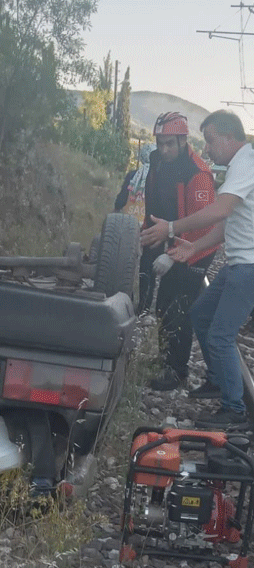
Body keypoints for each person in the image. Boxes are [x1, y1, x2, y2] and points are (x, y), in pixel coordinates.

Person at [143, 110, 254, 428]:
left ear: (231, 137)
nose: (206, 149)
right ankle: (218, 380)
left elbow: (218, 209)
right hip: (237, 262)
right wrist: (195, 246)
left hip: (248, 267)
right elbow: (228, 221)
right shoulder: (237, 168)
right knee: (201, 315)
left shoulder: (246, 164)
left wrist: (172, 228)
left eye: (210, 141)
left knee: (220, 335)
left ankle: (235, 411)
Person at [135, 113, 216, 391]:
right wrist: (145, 233)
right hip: (168, 234)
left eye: (170, 143)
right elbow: (154, 204)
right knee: (162, 305)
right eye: (160, 143)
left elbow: (204, 226)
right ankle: (165, 359)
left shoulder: (198, 174)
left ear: (183, 141)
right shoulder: (158, 162)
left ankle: (177, 371)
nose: (165, 149)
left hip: (197, 245)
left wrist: (172, 256)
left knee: (178, 305)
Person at [115, 142, 155, 225]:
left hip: (128, 221)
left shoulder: (132, 175)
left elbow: (121, 199)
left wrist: (116, 209)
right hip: (149, 225)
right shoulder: (159, 177)